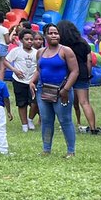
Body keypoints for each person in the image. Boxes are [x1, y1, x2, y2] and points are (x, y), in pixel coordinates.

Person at [33, 24, 80, 158]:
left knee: (65, 120)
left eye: (56, 33)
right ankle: (46, 149)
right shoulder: (40, 52)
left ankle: (71, 151)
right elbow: (39, 69)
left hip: (61, 91)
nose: (54, 36)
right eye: (51, 33)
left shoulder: (66, 51)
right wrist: (32, 81)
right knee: (46, 120)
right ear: (45, 36)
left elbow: (75, 71)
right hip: (43, 89)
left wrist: (65, 89)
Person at [58, 20, 99, 134]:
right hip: (82, 73)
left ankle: (66, 126)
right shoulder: (83, 42)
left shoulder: (62, 45)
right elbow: (89, 60)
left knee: (65, 100)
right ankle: (93, 128)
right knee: (84, 102)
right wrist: (88, 74)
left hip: (67, 73)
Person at [5, 29, 39, 131]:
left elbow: (39, 67)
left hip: (32, 81)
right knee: (22, 103)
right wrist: (14, 70)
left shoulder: (37, 53)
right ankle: (24, 124)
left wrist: (33, 79)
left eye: (31, 39)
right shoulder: (16, 51)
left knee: (35, 103)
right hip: (19, 81)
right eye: (26, 39)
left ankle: (30, 119)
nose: (29, 41)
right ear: (21, 40)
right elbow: (6, 61)